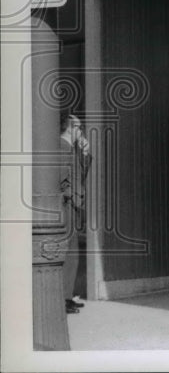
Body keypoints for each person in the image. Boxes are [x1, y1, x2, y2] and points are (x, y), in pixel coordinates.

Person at [60, 111, 91, 314]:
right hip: (67, 206)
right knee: (68, 251)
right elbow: (62, 179)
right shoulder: (62, 147)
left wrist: (86, 152)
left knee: (74, 252)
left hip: (73, 204)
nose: (81, 131)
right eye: (78, 127)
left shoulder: (71, 148)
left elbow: (82, 172)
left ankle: (68, 296)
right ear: (70, 128)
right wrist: (72, 198)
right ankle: (63, 298)